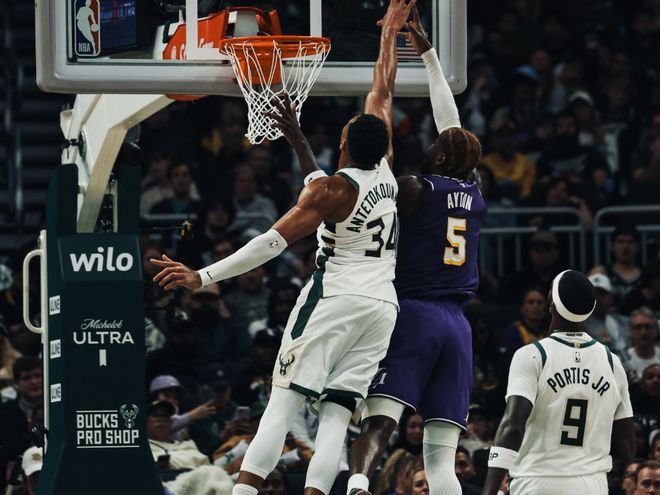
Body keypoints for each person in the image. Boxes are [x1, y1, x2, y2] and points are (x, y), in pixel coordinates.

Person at [150, 2, 412, 495]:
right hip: (382, 307)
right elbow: (383, 89)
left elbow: (270, 243)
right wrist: (390, 34)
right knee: (336, 414)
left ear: (344, 143)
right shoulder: (385, 170)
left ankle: (243, 491)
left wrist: (202, 276)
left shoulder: (332, 190)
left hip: (335, 298)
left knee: (283, 401)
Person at [346, 7, 485, 495]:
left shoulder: (415, 188)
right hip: (458, 326)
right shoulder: (476, 191)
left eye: (436, 145)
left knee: (380, 421)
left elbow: (377, 162)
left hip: (416, 313)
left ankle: (357, 485)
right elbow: (453, 125)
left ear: (441, 157)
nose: (430, 143)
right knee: (441, 458)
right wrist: (427, 54)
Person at [482, 270, 636, 495]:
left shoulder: (532, 355)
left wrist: (489, 490)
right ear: (591, 307)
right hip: (591, 484)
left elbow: (513, 427)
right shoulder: (612, 362)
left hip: (536, 481)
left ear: (551, 304)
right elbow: (627, 447)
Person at [0, 356, 43, 490]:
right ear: (17, 383)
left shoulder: (57, 411)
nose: (34, 382)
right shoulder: (5, 413)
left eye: (38, 376)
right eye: (27, 378)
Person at [623, 307, 660, 381]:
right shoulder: (622, 360)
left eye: (648, 327)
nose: (643, 332)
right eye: (638, 327)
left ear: (656, 330)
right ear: (631, 331)